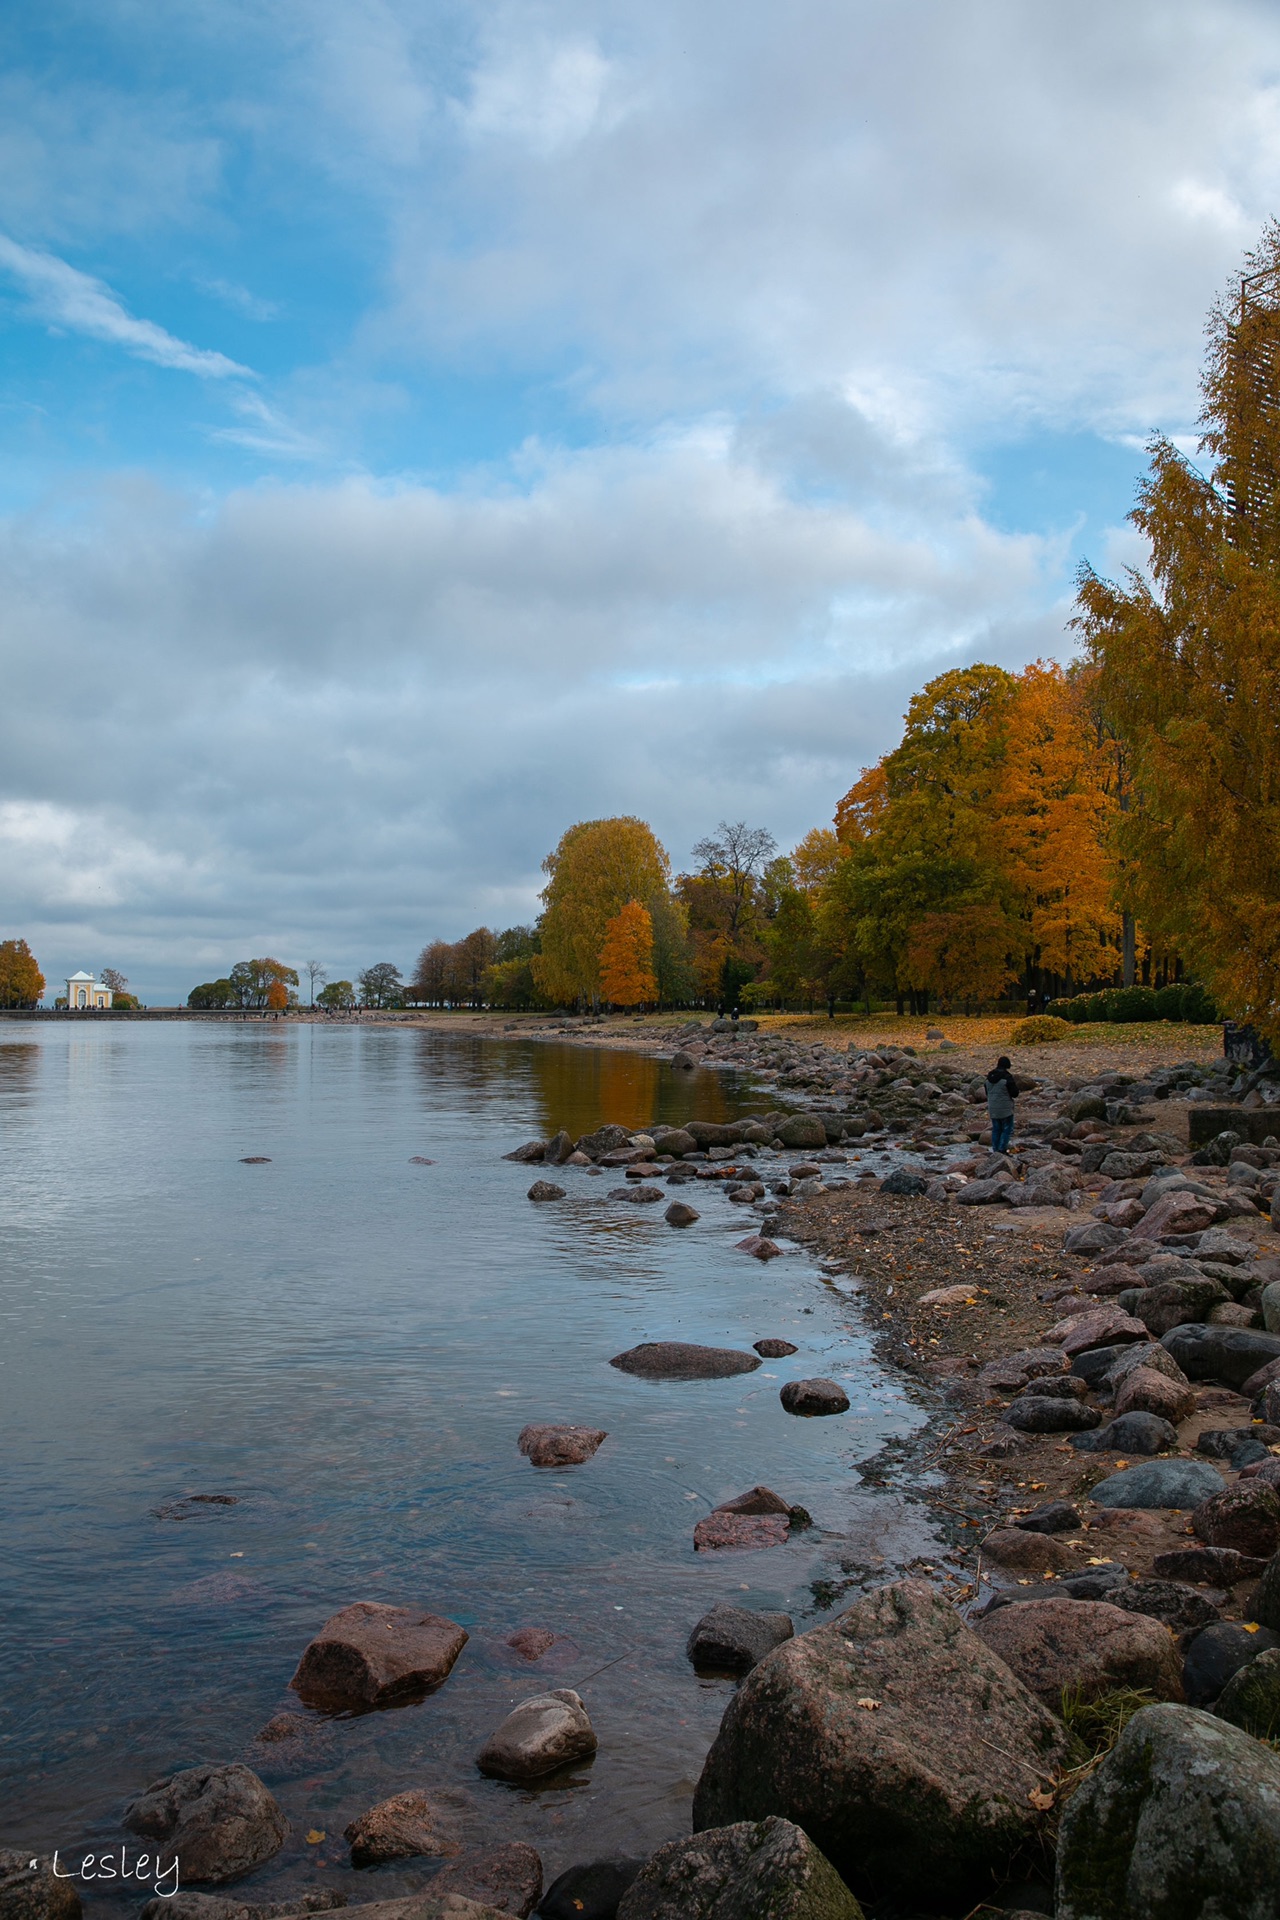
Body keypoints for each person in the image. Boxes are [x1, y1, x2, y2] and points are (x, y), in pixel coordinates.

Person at [985, 1055, 1020, 1152]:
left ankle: (995, 1150)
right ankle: (1002, 1150)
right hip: (1005, 1109)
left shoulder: (989, 1078)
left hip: (993, 1108)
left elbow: (987, 1093)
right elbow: (1015, 1093)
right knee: (1007, 1130)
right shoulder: (1007, 1077)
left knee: (996, 1130)